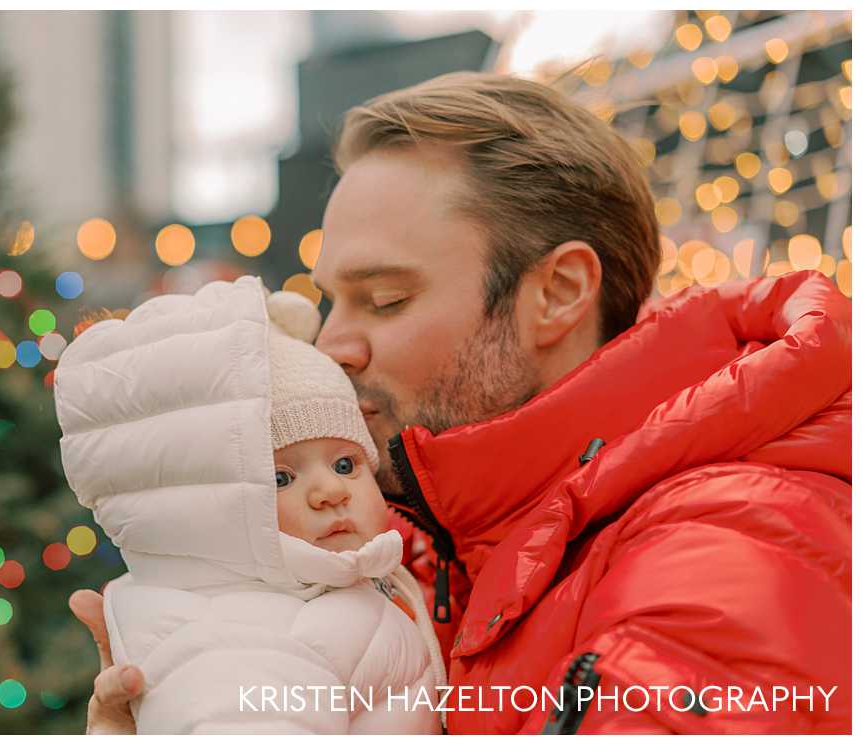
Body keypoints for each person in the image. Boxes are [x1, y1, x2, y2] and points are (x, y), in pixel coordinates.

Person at [71, 72, 850, 734]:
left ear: (560, 293)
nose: (332, 346)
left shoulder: (726, 551)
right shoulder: (410, 549)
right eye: (328, 300)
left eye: (383, 299)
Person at [54, 281, 444, 734]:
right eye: (280, 478)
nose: (330, 492)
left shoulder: (323, 592)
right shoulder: (242, 635)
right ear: (206, 505)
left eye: (345, 463)